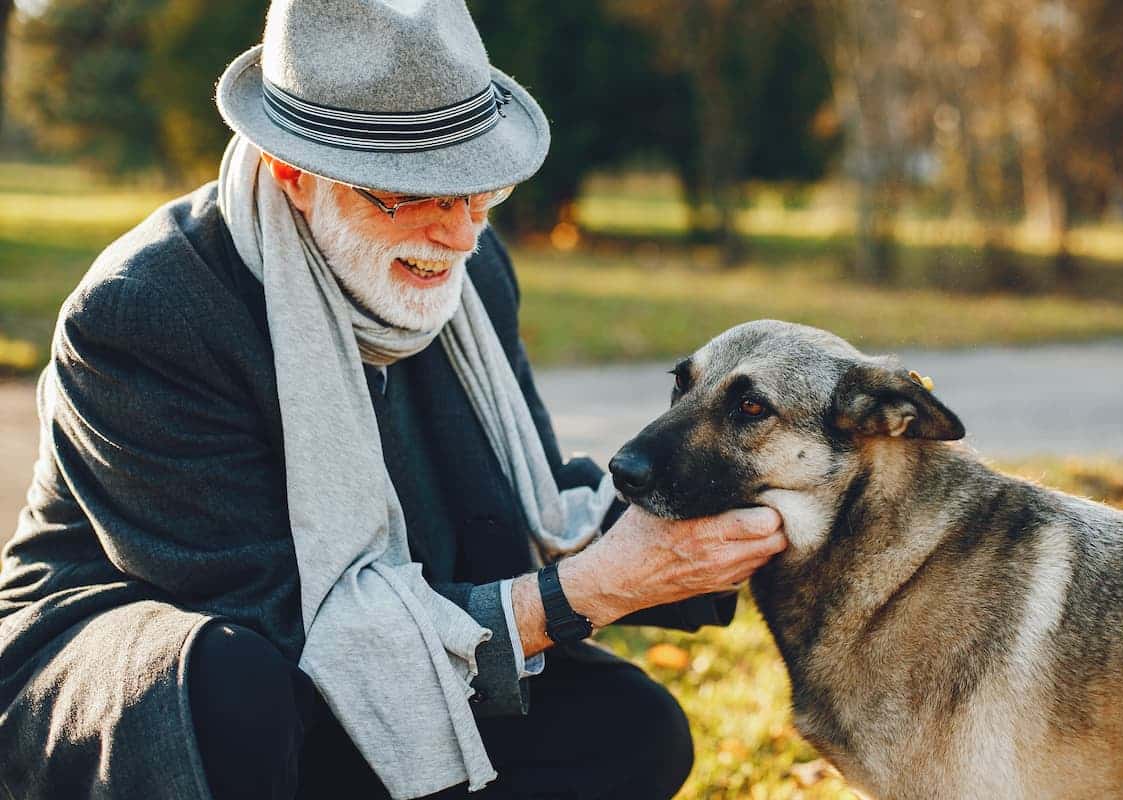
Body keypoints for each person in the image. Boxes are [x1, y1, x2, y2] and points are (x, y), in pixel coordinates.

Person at [0, 1, 787, 798]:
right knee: (231, 687)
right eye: (411, 192)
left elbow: (520, 512)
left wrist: (729, 513)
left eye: (478, 188)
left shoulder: (471, 273)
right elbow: (290, 630)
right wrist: (592, 588)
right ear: (294, 174)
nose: (459, 232)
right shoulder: (147, 312)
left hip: (382, 632)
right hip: (167, 675)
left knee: (630, 728)